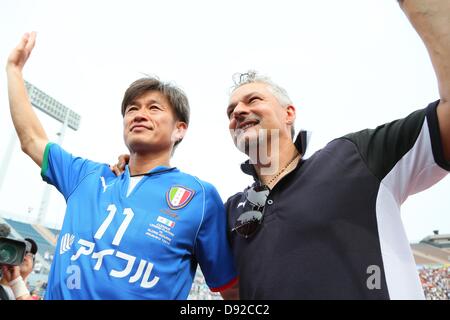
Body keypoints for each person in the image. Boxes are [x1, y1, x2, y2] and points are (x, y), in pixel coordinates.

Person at [223, 0, 450, 299]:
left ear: (289, 113)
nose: (238, 111)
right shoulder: (229, 211)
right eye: (230, 110)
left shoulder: (354, 156)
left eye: (252, 100)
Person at [5, 33, 237, 299]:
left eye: (154, 108)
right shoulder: (87, 176)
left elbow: (229, 290)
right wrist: (14, 70)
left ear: (180, 129)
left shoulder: (200, 197)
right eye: (132, 109)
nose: (139, 114)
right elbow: (32, 140)